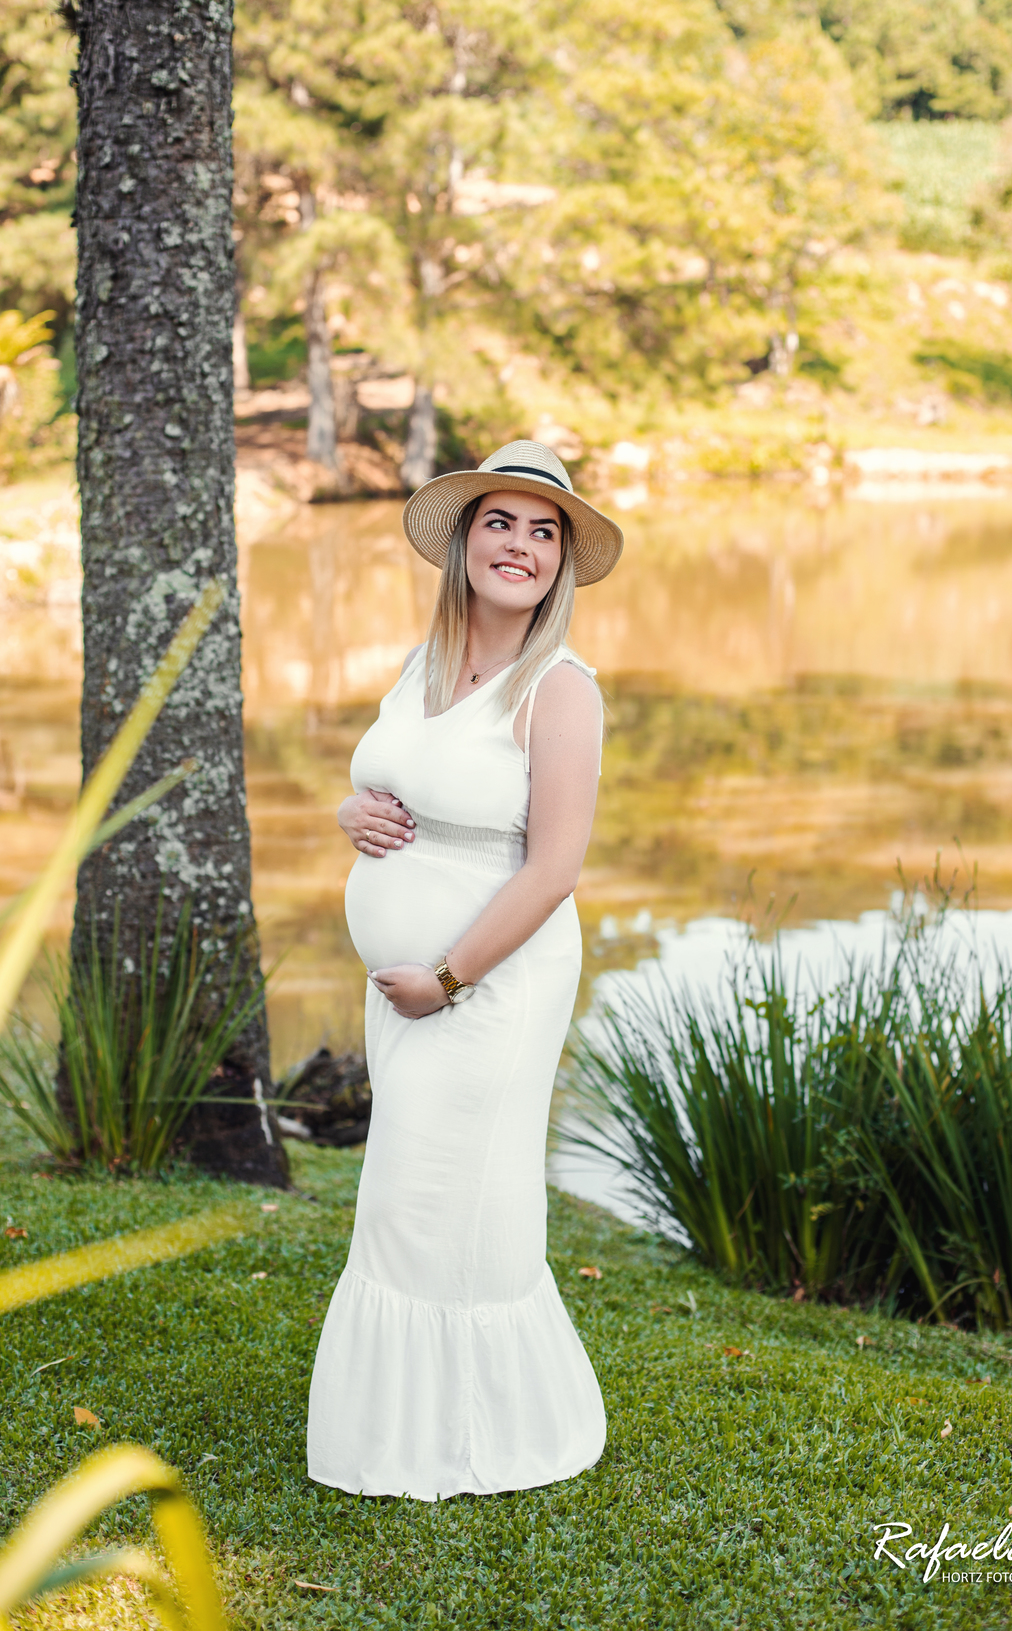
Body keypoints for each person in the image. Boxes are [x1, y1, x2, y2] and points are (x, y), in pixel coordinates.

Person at [307, 439, 624, 1501]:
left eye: (544, 531)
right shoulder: (423, 664)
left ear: (562, 561)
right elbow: (388, 784)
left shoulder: (560, 691)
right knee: (406, 1197)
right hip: (408, 990)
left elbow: (555, 869)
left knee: (448, 1194)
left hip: (491, 985)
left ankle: (492, 1434)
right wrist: (350, 813)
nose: (520, 546)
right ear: (466, 541)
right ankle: (405, 1432)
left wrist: (446, 978)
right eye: (501, 522)